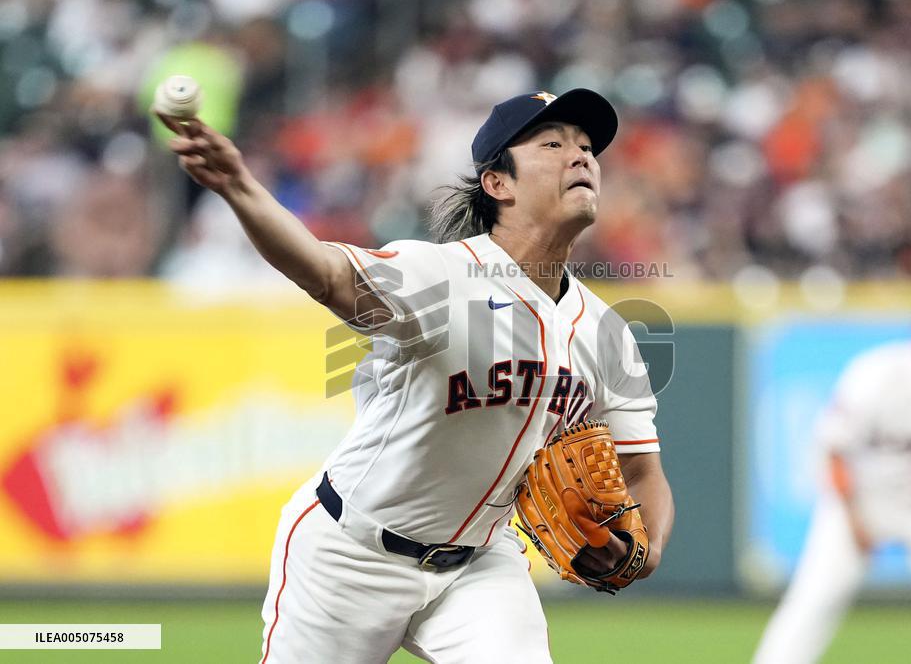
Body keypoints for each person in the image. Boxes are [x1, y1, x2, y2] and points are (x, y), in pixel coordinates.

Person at [159, 88, 675, 664]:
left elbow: (641, 468)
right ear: (497, 183)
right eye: (552, 144)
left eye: (586, 147)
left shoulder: (606, 333)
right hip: (350, 554)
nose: (580, 156)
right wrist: (239, 187)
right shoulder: (440, 276)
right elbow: (326, 273)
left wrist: (646, 548)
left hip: (480, 565)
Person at [753, 286, 911, 664]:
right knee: (815, 598)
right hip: (861, 496)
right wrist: (853, 518)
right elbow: (833, 450)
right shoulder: (880, 374)